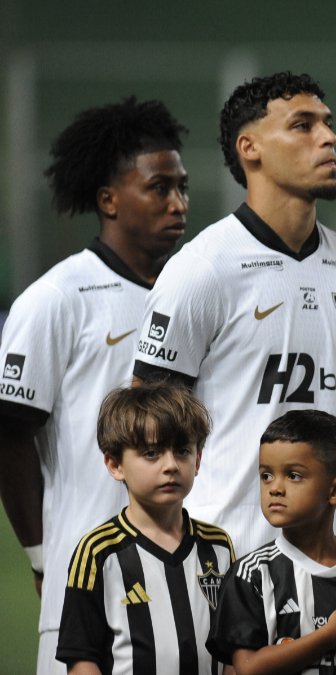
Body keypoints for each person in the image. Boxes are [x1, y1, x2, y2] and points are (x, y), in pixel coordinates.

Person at [131, 72, 336, 554]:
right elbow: (147, 422)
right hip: (226, 558)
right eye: (303, 125)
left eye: (327, 125)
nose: (328, 137)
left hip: (335, 562)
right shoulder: (203, 269)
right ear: (250, 148)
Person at [0, 97, 189, 674]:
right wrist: (39, 556)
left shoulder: (191, 296)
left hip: (187, 583)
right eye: (159, 188)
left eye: (182, 187)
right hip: (87, 586)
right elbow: (9, 435)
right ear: (109, 200)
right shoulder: (57, 300)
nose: (179, 203)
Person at [56, 383, 235, 674]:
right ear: (115, 465)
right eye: (151, 453)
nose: (171, 465)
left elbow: (232, 652)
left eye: (182, 451)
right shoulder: (99, 552)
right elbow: (81, 658)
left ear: (198, 459)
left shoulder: (218, 547)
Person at [208, 409, 336, 674]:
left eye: (294, 475)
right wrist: (329, 636)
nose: (275, 487)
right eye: (266, 475)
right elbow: (247, 669)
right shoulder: (252, 574)